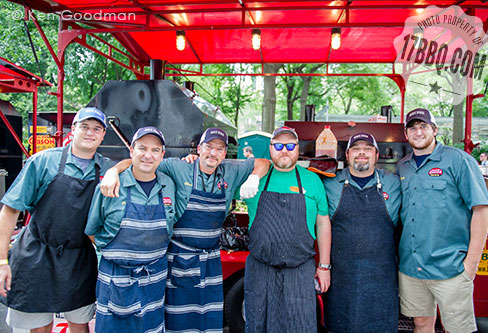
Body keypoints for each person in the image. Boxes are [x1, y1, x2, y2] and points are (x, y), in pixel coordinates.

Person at [99, 127, 271, 333]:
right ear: (199, 148)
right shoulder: (178, 167)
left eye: (219, 149)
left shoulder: (231, 170)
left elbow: (264, 162)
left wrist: (253, 177)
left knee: (209, 321)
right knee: (178, 323)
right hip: (179, 259)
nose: (213, 153)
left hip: (211, 261)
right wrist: (114, 171)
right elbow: (142, 162)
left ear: (225, 153)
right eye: (208, 147)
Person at [0, 107, 113, 333]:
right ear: (74, 129)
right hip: (36, 256)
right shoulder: (43, 162)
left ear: (102, 135)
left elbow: (135, 163)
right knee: (40, 328)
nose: (90, 133)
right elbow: (10, 210)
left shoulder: (106, 167)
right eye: (85, 127)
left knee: (80, 326)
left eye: (96, 129)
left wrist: (116, 170)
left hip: (79, 260)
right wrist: (2, 261)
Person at [397, 108, 488, 333]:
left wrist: (471, 265)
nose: (418, 132)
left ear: (435, 130)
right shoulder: (403, 166)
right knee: (421, 323)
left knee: (456, 328)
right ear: (406, 134)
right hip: (412, 267)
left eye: (423, 127)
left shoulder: (458, 160)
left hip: (450, 266)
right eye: (413, 128)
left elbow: (482, 210)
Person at [85, 126, 175, 333]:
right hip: (115, 279)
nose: (148, 155)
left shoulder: (169, 185)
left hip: (154, 278)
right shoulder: (109, 187)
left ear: (162, 155)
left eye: (155, 150)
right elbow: (92, 231)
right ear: (131, 151)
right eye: (142, 148)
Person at [242, 126, 331, 332]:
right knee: (258, 325)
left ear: (298, 149)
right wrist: (190, 161)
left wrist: (324, 266)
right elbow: (217, 166)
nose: (285, 150)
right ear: (270, 148)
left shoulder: (312, 179)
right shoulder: (255, 176)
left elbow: (323, 223)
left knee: (299, 326)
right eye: (279, 145)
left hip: (299, 270)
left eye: (290, 145)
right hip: (260, 269)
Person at [322, 132, 401, 333]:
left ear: (376, 155)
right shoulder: (330, 184)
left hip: (382, 277)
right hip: (341, 278)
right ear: (347, 155)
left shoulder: (394, 183)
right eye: (356, 149)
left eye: (367, 149)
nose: (361, 154)